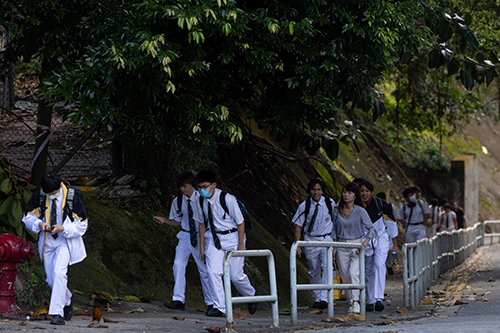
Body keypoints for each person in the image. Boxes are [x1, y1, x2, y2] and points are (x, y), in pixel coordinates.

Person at [22, 173, 88, 325]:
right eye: (48, 194)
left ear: (59, 187)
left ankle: (57, 314)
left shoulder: (72, 197)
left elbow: (82, 224)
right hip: (47, 242)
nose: (50, 196)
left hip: (65, 241)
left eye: (53, 194)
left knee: (59, 273)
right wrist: (38, 224)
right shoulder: (40, 196)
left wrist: (63, 228)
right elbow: (27, 217)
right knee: (52, 280)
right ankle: (67, 298)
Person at [195, 170, 256, 317]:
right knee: (212, 272)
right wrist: (202, 246)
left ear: (214, 185)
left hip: (232, 237)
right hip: (213, 239)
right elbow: (202, 224)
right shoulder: (200, 201)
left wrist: (241, 243)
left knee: (235, 276)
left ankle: (251, 295)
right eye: (199, 187)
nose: (202, 190)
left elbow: (240, 222)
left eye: (205, 186)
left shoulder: (227, 199)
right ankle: (220, 306)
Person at [153, 171, 214, 313]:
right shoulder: (178, 201)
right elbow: (177, 221)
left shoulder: (202, 199)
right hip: (185, 236)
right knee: (178, 264)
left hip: (200, 236)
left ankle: (211, 302)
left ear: (192, 185)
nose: (182, 190)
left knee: (204, 270)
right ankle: (178, 299)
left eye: (185, 186)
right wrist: (165, 221)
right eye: (180, 187)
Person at [332, 182, 377, 314]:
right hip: (341, 245)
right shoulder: (337, 210)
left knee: (354, 273)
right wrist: (334, 246)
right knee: (345, 276)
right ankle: (350, 302)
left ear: (354, 196)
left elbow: (371, 229)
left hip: (356, 244)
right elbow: (334, 228)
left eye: (350, 193)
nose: (346, 195)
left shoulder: (360, 211)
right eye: (345, 192)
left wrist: (363, 245)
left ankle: (356, 302)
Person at [292, 177, 336, 310]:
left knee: (327, 267)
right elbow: (298, 226)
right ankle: (316, 298)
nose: (316, 192)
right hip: (311, 239)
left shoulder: (330, 203)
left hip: (326, 239)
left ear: (322, 191)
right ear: (309, 191)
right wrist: (298, 244)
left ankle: (324, 297)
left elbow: (336, 222)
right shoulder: (304, 205)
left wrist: (335, 243)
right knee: (314, 270)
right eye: (313, 189)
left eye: (318, 189)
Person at [360, 182, 398, 312]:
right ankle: (370, 300)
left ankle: (378, 299)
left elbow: (391, 224)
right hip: (365, 240)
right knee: (368, 269)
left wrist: (395, 245)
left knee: (379, 265)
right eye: (362, 191)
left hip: (381, 238)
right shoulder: (357, 207)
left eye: (367, 191)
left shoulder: (382, 205)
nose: (364, 193)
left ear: (371, 192)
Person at [376, 192, 400, 276]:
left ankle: (389, 265)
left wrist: (392, 228)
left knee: (389, 249)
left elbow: (395, 218)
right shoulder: (375, 206)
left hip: (388, 231)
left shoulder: (390, 206)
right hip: (379, 233)